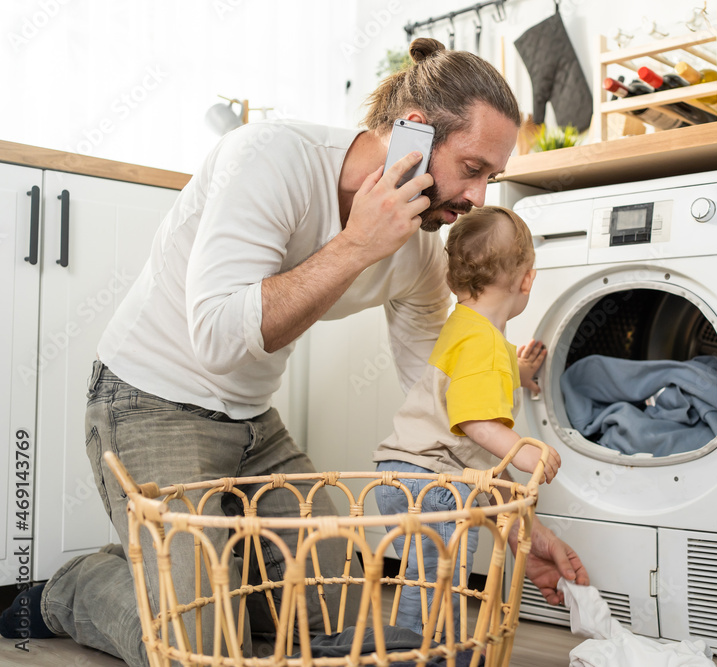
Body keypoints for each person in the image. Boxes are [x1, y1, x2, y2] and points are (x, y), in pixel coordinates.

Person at [0, 37, 587, 665]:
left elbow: (438, 402)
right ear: (413, 133)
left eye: (491, 178)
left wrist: (513, 527)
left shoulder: (420, 252)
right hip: (147, 402)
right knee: (199, 646)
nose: (478, 199)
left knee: (332, 614)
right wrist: (358, 243)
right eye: (472, 169)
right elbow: (220, 339)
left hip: (252, 424)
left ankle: (192, 575)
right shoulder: (271, 158)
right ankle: (77, 586)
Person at [373, 206, 561, 635]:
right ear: (527, 279)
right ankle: (429, 659)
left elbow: (475, 381)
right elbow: (475, 418)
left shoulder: (464, 327)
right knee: (439, 598)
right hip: (434, 483)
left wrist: (521, 374)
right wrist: (524, 450)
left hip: (402, 474)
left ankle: (420, 653)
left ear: (452, 278)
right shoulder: (487, 345)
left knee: (425, 587)